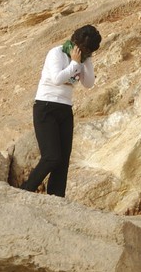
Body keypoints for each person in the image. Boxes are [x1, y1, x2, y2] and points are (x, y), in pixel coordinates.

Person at [21, 24, 101, 196]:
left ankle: (56, 199)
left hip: (65, 109)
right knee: (51, 156)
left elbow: (88, 84)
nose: (87, 53)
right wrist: (74, 63)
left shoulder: (84, 59)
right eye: (85, 50)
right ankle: (25, 191)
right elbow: (57, 79)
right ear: (75, 43)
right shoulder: (56, 53)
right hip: (46, 106)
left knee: (63, 160)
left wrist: (85, 62)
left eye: (90, 51)